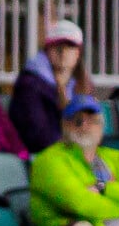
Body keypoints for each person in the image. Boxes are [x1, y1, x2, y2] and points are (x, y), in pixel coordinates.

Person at [28, 95, 119, 226]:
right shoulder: (49, 160)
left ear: (101, 127)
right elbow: (79, 203)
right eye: (77, 121)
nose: (84, 126)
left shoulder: (111, 157)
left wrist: (103, 188)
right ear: (64, 125)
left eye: (92, 121)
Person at [8, 17, 92, 154]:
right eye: (57, 46)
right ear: (47, 50)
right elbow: (37, 136)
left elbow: (93, 128)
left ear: (78, 53)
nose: (63, 52)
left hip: (73, 153)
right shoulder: (29, 85)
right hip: (41, 155)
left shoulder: (83, 84)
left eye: (70, 46)